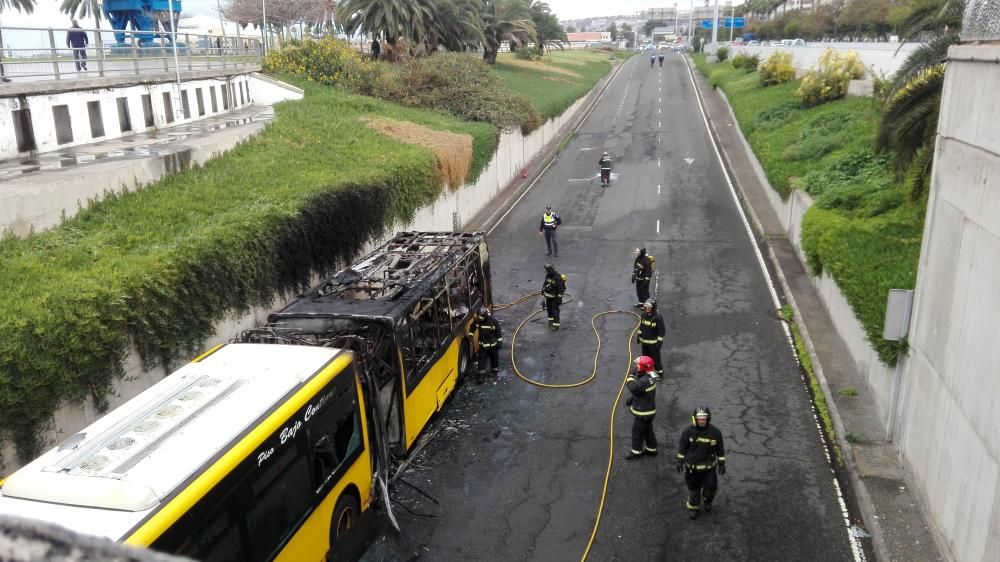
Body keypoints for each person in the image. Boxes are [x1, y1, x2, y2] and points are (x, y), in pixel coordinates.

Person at [676, 406, 726, 519]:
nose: (702, 421)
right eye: (700, 419)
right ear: (695, 419)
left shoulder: (715, 433)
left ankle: (707, 501)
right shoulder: (688, 431)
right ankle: (693, 507)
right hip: (692, 470)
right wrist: (680, 461)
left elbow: (720, 449)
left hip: (709, 469)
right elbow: (682, 447)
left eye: (704, 418)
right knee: (694, 491)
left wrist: (722, 463)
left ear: (708, 418)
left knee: (710, 490)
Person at [624, 355, 657, 460]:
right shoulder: (651, 375)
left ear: (644, 368)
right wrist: (633, 398)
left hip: (643, 413)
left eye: (638, 365)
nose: (636, 366)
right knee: (647, 431)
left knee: (637, 432)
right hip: (649, 410)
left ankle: (636, 452)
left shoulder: (644, 381)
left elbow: (634, 387)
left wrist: (630, 376)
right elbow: (642, 392)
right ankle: (652, 449)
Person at [468, 306, 502, 382]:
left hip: (493, 346)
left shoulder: (493, 321)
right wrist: (470, 335)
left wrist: (499, 342)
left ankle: (494, 370)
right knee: (481, 360)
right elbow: (472, 327)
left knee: (494, 359)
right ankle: (481, 375)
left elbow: (498, 332)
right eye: (479, 317)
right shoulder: (478, 320)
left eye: (481, 317)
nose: (480, 319)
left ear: (485, 316)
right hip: (483, 346)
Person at [637, 299, 665, 377]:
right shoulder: (643, 315)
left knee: (655, 358)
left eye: (649, 307)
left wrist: (659, 342)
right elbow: (642, 326)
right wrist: (639, 335)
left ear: (653, 307)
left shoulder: (658, 318)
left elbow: (662, 330)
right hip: (644, 342)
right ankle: (645, 371)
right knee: (645, 357)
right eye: (646, 307)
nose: (647, 308)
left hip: (653, 343)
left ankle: (659, 372)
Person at [542, 263, 565, 331]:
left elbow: (561, 289)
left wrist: (559, 298)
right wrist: (543, 290)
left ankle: (556, 325)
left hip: (555, 298)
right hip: (548, 297)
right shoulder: (548, 275)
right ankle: (550, 320)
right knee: (549, 309)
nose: (544, 270)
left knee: (555, 311)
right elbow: (545, 283)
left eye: (545, 269)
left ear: (549, 270)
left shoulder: (558, 278)